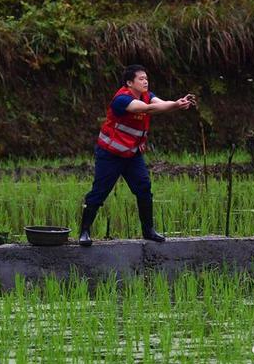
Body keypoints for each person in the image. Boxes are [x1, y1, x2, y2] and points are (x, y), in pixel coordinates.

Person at [78, 65, 195, 246]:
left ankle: (148, 231)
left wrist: (176, 104)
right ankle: (84, 232)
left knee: (144, 188)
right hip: (110, 154)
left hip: (132, 155)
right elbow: (147, 109)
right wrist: (175, 105)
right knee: (99, 192)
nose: (145, 81)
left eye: (146, 78)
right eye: (141, 79)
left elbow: (159, 104)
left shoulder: (147, 95)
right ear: (129, 82)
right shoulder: (122, 99)